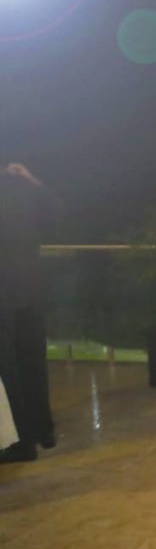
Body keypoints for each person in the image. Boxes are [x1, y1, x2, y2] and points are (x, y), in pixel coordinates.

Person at [0, 162, 61, 464]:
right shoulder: (20, 187)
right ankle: (43, 430)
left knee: (8, 372)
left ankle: (22, 442)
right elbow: (55, 210)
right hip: (31, 289)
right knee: (33, 363)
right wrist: (31, 178)